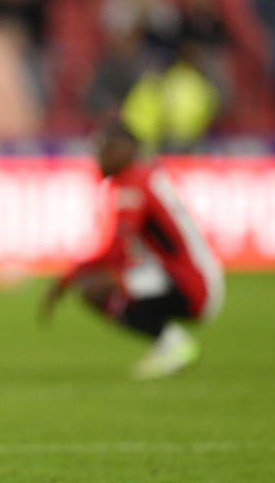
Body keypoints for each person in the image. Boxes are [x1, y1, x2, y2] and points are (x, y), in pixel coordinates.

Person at [41, 120, 224, 380]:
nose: (99, 157)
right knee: (104, 282)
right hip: (189, 274)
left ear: (126, 149)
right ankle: (171, 344)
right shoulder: (145, 175)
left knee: (95, 288)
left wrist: (67, 279)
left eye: (105, 148)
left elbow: (116, 249)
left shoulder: (133, 182)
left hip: (189, 282)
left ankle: (173, 344)